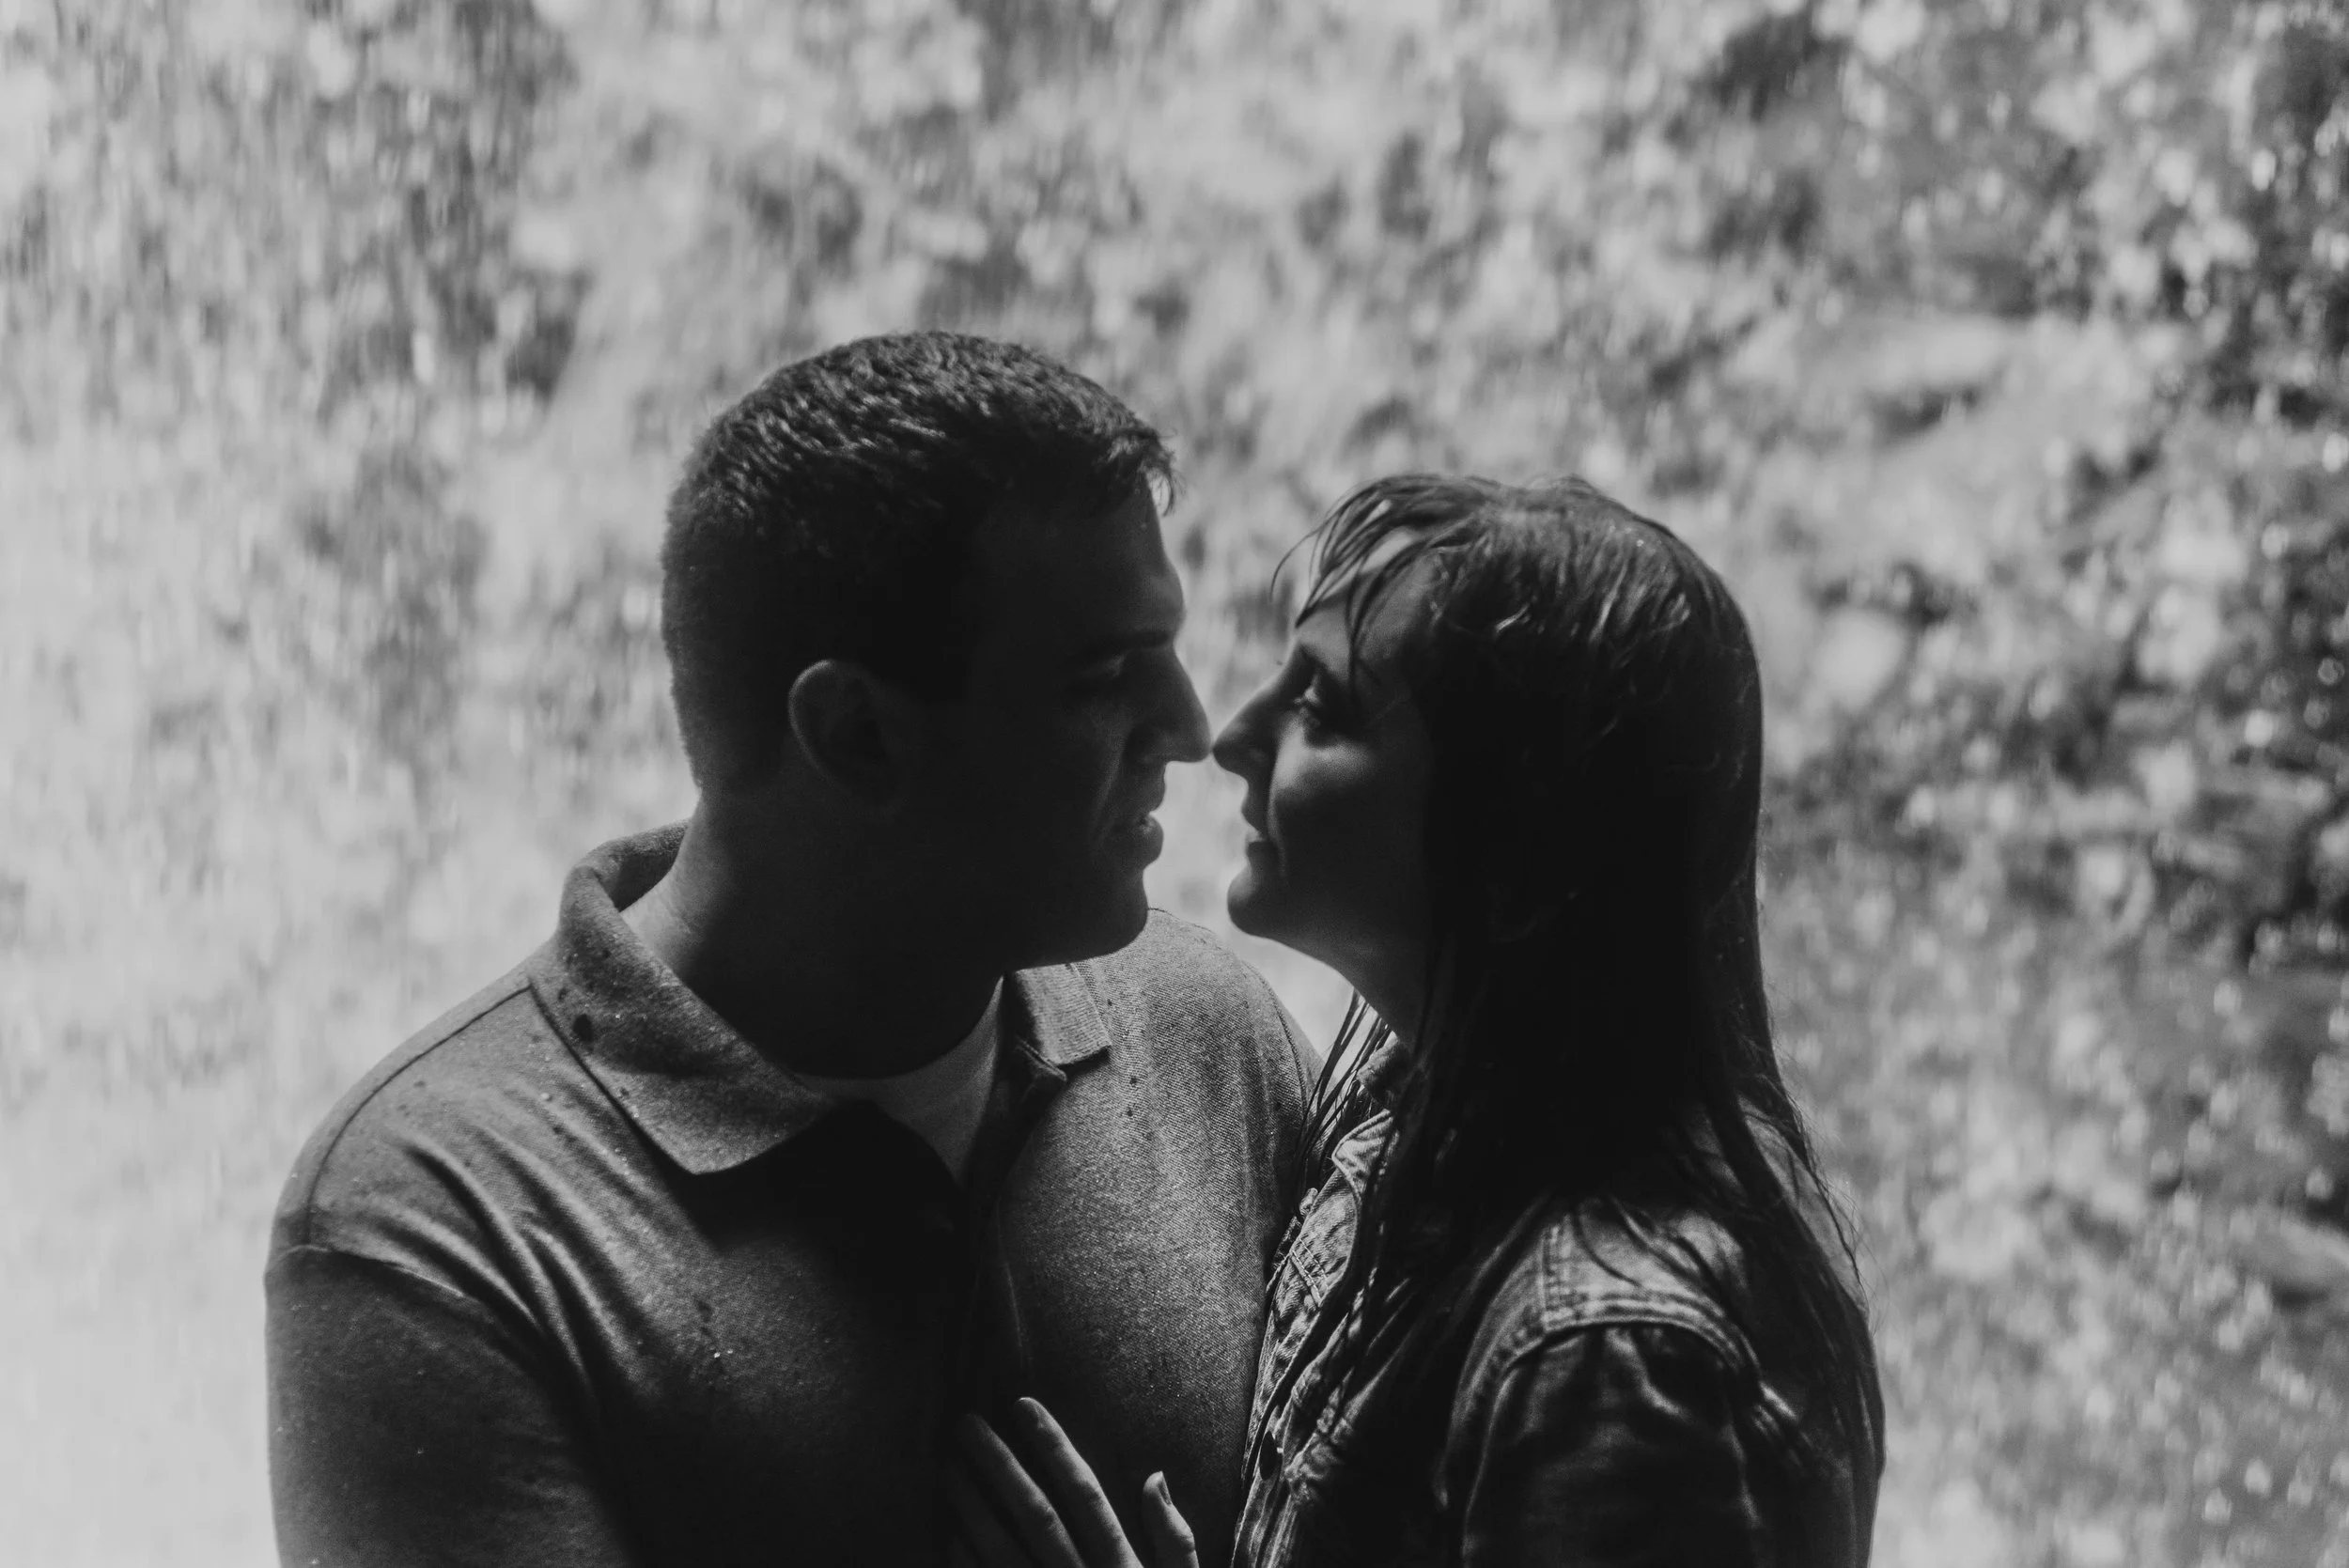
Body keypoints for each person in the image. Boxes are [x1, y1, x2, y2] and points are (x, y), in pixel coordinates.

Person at [265, 333, 1316, 1568]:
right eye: (1104, 678)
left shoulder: (1210, 1034)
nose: (1194, 729)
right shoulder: (439, 1223)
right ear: (857, 734)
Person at [950, 474, 1885, 1567]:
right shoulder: (1405, 1092)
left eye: (1322, 707)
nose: (1232, 734)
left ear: (1515, 838)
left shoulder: (1609, 1354)